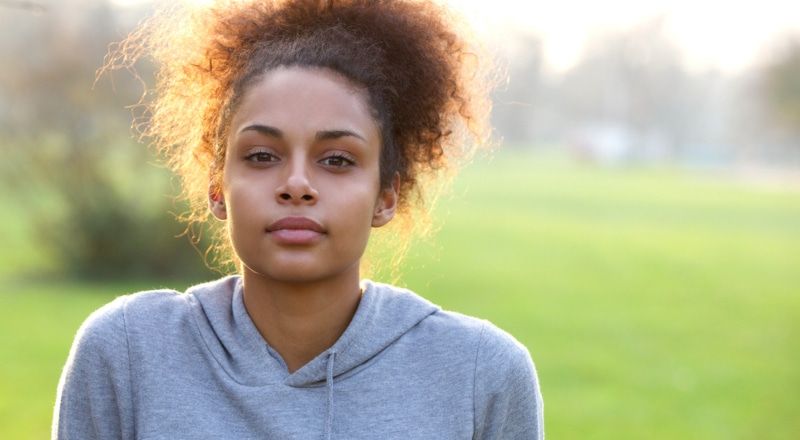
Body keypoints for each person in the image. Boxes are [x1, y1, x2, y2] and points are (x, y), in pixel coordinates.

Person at [52, 0, 544, 438]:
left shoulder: (482, 373)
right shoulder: (125, 352)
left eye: (336, 160)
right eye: (263, 155)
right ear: (217, 187)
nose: (297, 184)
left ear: (386, 195)